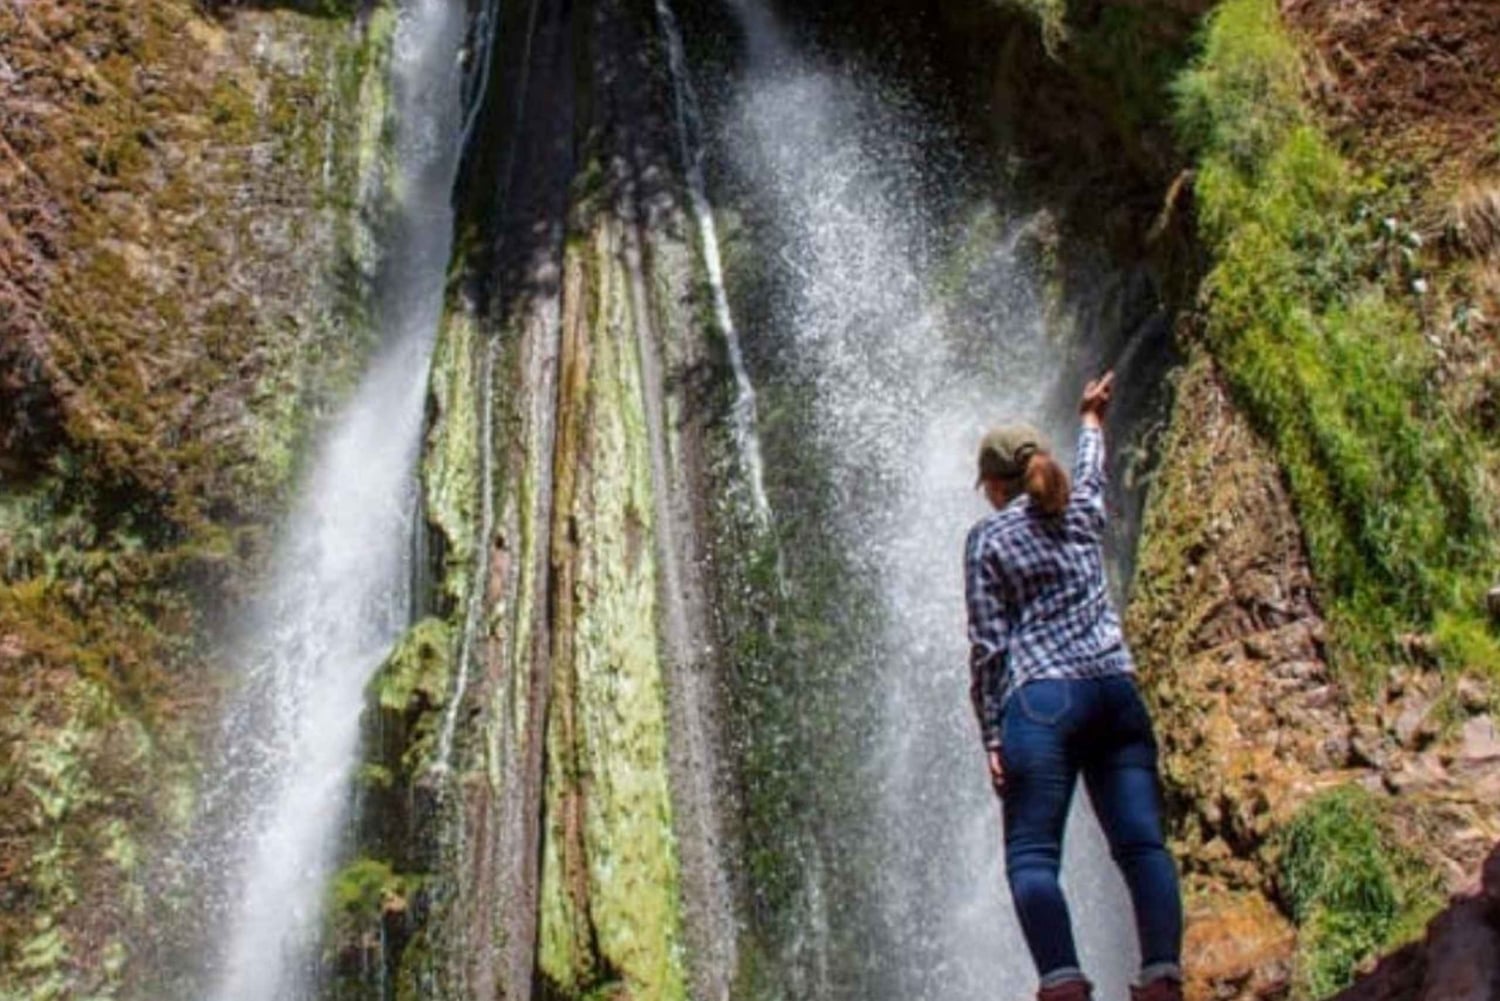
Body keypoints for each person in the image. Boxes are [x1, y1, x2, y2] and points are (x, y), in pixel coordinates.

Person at [964, 372, 1184, 1001]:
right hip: (1114, 689)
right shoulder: (1081, 509)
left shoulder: (989, 540)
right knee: (1142, 845)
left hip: (1042, 701)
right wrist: (1091, 417)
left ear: (999, 486)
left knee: (1033, 856)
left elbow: (988, 648)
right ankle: (1162, 977)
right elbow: (1092, 467)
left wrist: (990, 735)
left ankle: (1063, 984)